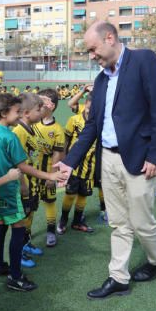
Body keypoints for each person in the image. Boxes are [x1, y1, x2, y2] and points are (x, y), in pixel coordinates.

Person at [55, 21, 156, 300]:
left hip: (142, 159)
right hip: (108, 158)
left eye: (93, 49)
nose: (91, 55)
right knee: (119, 222)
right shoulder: (100, 79)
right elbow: (92, 126)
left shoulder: (143, 60)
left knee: (142, 222)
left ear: (110, 38)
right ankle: (118, 277)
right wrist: (70, 162)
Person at [0, 93, 65, 292]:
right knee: (19, 228)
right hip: (8, 189)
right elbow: (23, 167)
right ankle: (15, 275)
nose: (20, 115)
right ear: (4, 113)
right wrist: (50, 176)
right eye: (16, 111)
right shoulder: (10, 136)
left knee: (1, 225)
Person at [12, 93, 46, 267]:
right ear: (26, 113)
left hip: (34, 183)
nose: (41, 112)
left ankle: (26, 242)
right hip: (25, 184)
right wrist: (23, 183)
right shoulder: (19, 132)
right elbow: (16, 162)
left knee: (30, 214)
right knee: (23, 217)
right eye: (38, 109)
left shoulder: (32, 128)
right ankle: (19, 252)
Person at [32, 88, 66, 247]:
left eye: (41, 102)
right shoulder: (31, 124)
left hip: (48, 171)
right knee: (30, 203)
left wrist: (52, 176)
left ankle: (51, 231)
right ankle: (26, 232)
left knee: (49, 201)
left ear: (51, 106)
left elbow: (57, 155)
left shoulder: (57, 130)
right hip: (31, 171)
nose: (37, 105)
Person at [58, 96, 96, 235]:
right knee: (70, 194)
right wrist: (65, 159)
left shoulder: (99, 122)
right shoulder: (74, 120)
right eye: (89, 105)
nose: (91, 109)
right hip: (73, 166)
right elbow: (66, 140)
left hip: (90, 166)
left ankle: (77, 221)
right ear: (85, 104)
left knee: (83, 195)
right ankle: (63, 220)